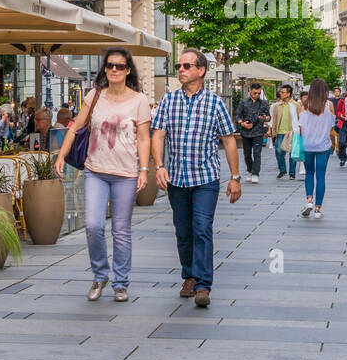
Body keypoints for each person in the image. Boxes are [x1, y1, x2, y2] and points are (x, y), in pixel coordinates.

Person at [57, 47, 151, 304]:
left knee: (121, 230)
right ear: (105, 69)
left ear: (128, 70)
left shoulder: (139, 100)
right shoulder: (94, 95)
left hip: (126, 173)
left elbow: (144, 138)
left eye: (119, 66)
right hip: (96, 170)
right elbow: (75, 128)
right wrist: (60, 155)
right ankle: (100, 275)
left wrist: (144, 169)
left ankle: (120, 283)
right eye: (110, 65)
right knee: (93, 226)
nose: (114, 70)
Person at [151, 49, 241, 309]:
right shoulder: (168, 101)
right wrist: (159, 165)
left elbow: (228, 140)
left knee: (202, 227)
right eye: (179, 65)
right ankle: (188, 276)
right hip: (176, 178)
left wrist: (235, 177)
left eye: (187, 65)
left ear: (201, 70)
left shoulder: (215, 103)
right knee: (183, 231)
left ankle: (202, 284)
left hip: (205, 178)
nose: (181, 69)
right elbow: (158, 134)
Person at [298, 79, 337, 219]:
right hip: (323, 145)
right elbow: (332, 126)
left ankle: (309, 200)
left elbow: (300, 127)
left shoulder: (305, 105)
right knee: (321, 176)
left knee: (309, 173)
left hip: (308, 145)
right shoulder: (329, 105)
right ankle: (318, 209)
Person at [235, 83, 271, 183]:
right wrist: (242, 123)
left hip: (258, 131)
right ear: (250, 91)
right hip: (245, 131)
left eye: (259, 93)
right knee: (247, 153)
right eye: (255, 93)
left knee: (257, 153)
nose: (257, 95)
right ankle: (250, 170)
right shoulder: (243, 102)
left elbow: (268, 117)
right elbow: (237, 115)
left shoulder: (263, 103)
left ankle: (255, 173)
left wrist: (265, 118)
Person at [269, 84, 299, 180]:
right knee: (278, 151)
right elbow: (274, 119)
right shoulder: (277, 106)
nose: (280, 93)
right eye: (280, 92)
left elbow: (300, 118)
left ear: (288, 94)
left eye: (283, 92)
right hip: (280, 132)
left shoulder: (296, 105)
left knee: (292, 153)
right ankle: (282, 170)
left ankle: (292, 173)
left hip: (292, 132)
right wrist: (273, 132)